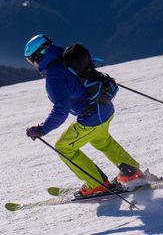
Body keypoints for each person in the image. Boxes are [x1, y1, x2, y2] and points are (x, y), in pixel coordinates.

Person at [24, 34, 146, 196]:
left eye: (30, 59)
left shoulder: (54, 75)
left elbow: (61, 108)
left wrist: (42, 130)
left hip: (91, 118)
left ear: (38, 56)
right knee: (102, 140)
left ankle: (96, 185)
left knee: (64, 147)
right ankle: (132, 174)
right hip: (105, 108)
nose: (32, 64)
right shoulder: (68, 58)